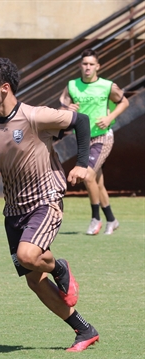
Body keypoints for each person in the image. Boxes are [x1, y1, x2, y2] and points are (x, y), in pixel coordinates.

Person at [0, 57, 99, 352]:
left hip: (45, 199)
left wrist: (83, 164)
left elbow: (81, 121)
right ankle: (83, 330)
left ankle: (59, 267)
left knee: (28, 254)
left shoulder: (35, 116)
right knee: (34, 281)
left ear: (5, 88)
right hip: (13, 211)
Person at [59, 48, 129, 235]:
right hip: (83, 139)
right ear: (80, 66)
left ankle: (95, 219)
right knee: (97, 183)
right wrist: (68, 109)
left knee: (87, 176)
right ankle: (112, 220)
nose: (88, 67)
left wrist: (110, 117)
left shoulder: (107, 86)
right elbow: (63, 107)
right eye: (84, 64)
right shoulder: (72, 86)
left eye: (91, 64)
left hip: (102, 137)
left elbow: (124, 102)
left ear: (97, 66)